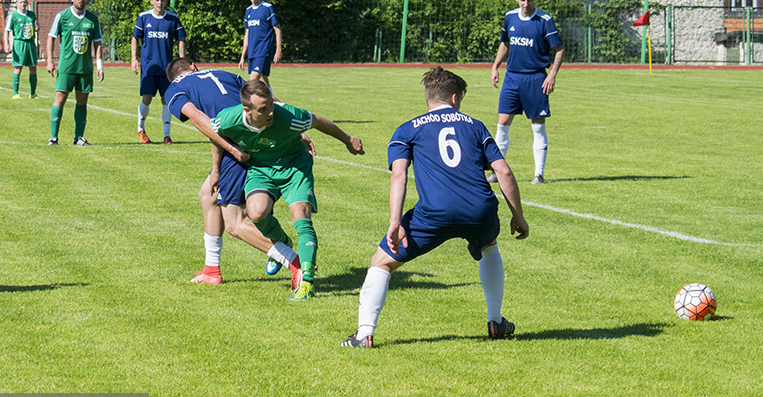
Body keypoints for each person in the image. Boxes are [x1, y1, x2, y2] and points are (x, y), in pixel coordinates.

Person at [341, 67, 529, 348]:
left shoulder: (408, 129)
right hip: (480, 209)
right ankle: (496, 321)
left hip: (434, 212)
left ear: (429, 97)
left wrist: (395, 221)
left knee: (381, 263)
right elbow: (502, 171)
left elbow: (399, 175)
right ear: (455, 98)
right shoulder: (475, 126)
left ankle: (364, 334)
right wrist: (518, 216)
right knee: (489, 245)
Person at [210, 79, 364, 301]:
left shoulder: (289, 116)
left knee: (301, 217)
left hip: (295, 167)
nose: (271, 112)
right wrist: (216, 170)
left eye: (271, 104)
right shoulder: (229, 119)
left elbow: (319, 121)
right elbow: (215, 136)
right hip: (261, 170)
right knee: (256, 213)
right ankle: (282, 242)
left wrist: (347, 139)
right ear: (247, 110)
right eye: (263, 109)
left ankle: (307, 281)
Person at [165, 58, 302, 287]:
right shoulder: (223, 74)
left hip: (238, 144)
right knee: (207, 194)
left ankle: (296, 263)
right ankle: (211, 270)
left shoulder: (175, 88)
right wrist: (293, 129)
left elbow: (202, 120)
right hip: (261, 133)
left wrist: (231, 149)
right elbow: (265, 99)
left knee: (236, 223)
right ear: (192, 66)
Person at [490, 0, 564, 184]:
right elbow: (505, 43)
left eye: (529, 0)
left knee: (537, 126)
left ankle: (538, 174)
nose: (525, 3)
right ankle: (497, 171)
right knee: (502, 124)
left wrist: (552, 74)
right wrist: (495, 66)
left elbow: (559, 49)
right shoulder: (510, 17)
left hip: (535, 79)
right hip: (512, 77)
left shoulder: (544, 20)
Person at [46, 0, 104, 146]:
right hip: (67, 67)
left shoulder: (92, 19)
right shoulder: (62, 16)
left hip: (85, 68)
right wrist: (50, 61)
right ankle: (53, 137)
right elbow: (51, 37)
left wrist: (100, 66)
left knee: (82, 101)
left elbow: (97, 43)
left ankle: (78, 137)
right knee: (60, 99)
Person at [131, 0, 186, 145]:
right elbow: (135, 38)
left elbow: (180, 39)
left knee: (166, 100)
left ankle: (167, 135)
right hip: (149, 67)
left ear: (166, 1)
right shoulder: (144, 17)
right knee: (147, 99)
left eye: (162, 0)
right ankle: (140, 129)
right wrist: (134, 58)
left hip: (167, 68)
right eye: (156, 0)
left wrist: (182, 61)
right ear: (151, 1)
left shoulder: (172, 19)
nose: (159, 3)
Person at [237, 0, 281, 90]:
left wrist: (278, 50)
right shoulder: (248, 11)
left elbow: (277, 28)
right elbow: (247, 34)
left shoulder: (267, 7)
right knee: (263, 79)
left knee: (252, 80)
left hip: (264, 49)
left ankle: (243, 104)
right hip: (253, 51)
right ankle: (273, 101)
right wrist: (243, 56)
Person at [3, 0, 39, 99]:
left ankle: (33, 93)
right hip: (19, 43)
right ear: (17, 4)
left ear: (27, 3)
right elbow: (7, 30)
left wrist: (37, 29)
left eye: (24, 2)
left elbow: (36, 29)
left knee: (33, 68)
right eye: (21, 2)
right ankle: (16, 93)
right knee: (18, 68)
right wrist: (6, 44)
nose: (23, 4)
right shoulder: (13, 16)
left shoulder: (32, 15)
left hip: (31, 43)